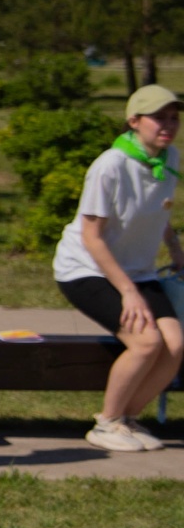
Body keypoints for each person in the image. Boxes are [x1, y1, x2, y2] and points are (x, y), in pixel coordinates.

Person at [51, 84, 182, 453]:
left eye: (174, 118)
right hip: (85, 269)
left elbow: (159, 211)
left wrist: (176, 249)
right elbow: (92, 236)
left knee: (175, 345)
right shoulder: (110, 165)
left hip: (139, 271)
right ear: (134, 121)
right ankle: (106, 423)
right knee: (147, 342)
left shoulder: (169, 157)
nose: (168, 125)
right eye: (158, 118)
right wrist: (128, 293)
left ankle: (127, 419)